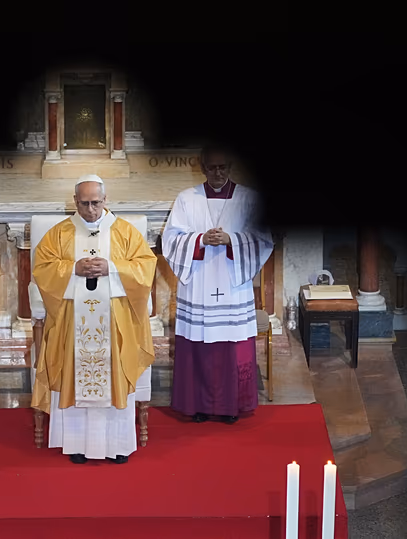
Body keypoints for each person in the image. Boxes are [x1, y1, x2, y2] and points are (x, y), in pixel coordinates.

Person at [31, 174, 157, 464]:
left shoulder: (125, 232)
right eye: (84, 203)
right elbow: (43, 269)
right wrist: (72, 268)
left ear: (105, 199)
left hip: (114, 322)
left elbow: (145, 267)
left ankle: (118, 445)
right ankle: (75, 444)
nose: (90, 210)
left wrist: (113, 268)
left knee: (112, 374)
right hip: (72, 322)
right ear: (75, 201)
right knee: (75, 372)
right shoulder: (59, 233)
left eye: (96, 203)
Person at [162, 145, 273, 424]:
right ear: (202, 168)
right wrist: (199, 240)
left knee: (231, 348)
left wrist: (232, 240)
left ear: (230, 166)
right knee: (199, 346)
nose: (218, 173)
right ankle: (196, 405)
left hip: (232, 287)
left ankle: (231, 406)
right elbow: (171, 240)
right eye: (212, 168)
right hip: (199, 284)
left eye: (223, 167)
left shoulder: (249, 199)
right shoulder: (187, 199)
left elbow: (263, 238)